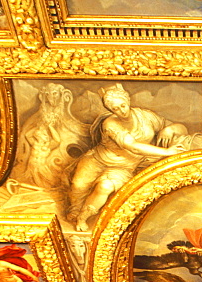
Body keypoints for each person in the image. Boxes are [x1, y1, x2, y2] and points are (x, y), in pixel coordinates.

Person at [68, 84, 190, 230]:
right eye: (115, 109)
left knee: (105, 187)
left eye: (123, 105)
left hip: (123, 166)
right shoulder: (110, 123)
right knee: (78, 186)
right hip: (97, 160)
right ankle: (75, 212)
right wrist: (167, 152)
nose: (121, 111)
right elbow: (132, 146)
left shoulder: (146, 117)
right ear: (110, 110)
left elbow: (181, 128)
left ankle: (82, 218)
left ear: (127, 101)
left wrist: (170, 129)